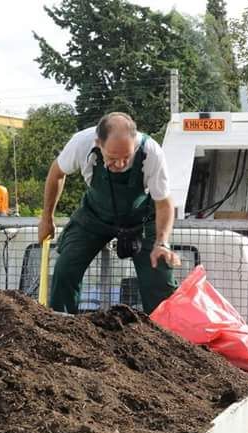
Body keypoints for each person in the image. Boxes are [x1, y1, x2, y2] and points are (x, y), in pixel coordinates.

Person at [38, 112, 180, 314]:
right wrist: (46, 218)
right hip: (94, 217)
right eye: (113, 158)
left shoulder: (151, 152)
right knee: (65, 267)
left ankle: (165, 334)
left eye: (126, 158)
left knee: (159, 276)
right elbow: (56, 174)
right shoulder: (82, 143)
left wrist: (162, 243)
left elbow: (164, 203)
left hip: (141, 220)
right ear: (98, 143)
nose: (121, 165)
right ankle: (61, 325)